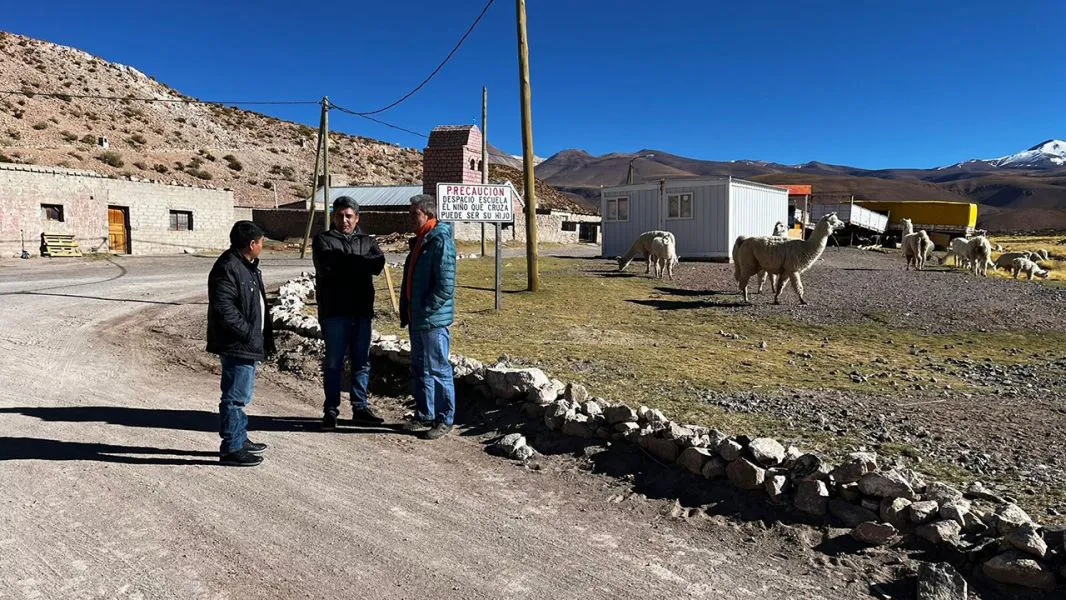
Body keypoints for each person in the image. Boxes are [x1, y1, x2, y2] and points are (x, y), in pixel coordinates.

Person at [312, 196, 386, 430]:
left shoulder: (367, 240)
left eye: (348, 216)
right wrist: (358, 264)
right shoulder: (322, 240)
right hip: (334, 311)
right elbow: (328, 267)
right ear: (333, 217)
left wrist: (349, 263)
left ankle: (360, 407)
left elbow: (378, 264)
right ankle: (331, 410)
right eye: (340, 216)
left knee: (361, 362)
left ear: (357, 218)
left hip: (361, 311)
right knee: (334, 362)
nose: (344, 220)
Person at [206, 220, 275, 467]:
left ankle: (240, 437)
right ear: (252, 244)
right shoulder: (228, 267)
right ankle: (231, 447)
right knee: (234, 397)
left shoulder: (245, 265)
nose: (262, 246)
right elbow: (223, 308)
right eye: (261, 242)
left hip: (247, 342)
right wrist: (246, 332)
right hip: (237, 343)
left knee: (242, 396)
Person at [399, 194, 457, 440]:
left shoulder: (439, 241)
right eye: (411, 213)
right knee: (420, 367)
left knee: (438, 368)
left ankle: (445, 418)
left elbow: (445, 285)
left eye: (415, 214)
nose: (411, 218)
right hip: (418, 318)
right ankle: (424, 413)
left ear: (429, 215)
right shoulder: (422, 240)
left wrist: (427, 309)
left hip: (432, 320)